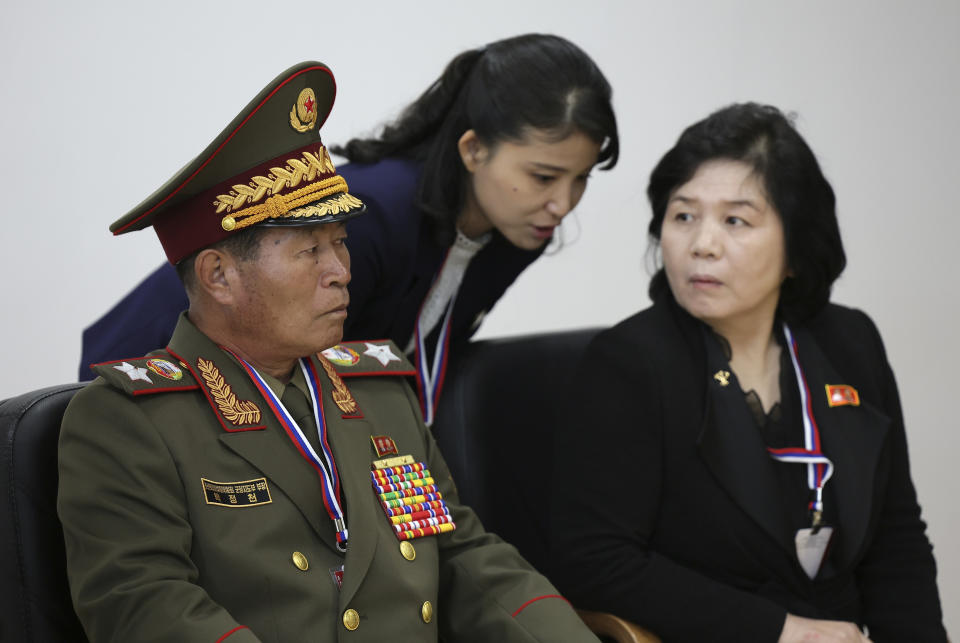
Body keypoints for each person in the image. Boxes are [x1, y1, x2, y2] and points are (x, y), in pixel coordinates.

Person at [58, 61, 600, 643]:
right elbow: (145, 606)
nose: (342, 272)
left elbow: (460, 554)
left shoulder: (381, 395)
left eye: (341, 244)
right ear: (219, 275)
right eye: (310, 251)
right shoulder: (126, 423)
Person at [547, 103, 947, 642]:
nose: (702, 244)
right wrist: (782, 631)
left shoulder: (849, 344)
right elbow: (594, 560)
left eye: (736, 221)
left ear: (796, 251)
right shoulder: (630, 364)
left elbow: (896, 540)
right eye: (683, 215)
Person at [78, 33, 619, 425]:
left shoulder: (517, 228)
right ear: (474, 149)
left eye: (580, 180)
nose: (562, 203)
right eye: (544, 176)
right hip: (153, 382)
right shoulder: (371, 214)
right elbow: (289, 360)